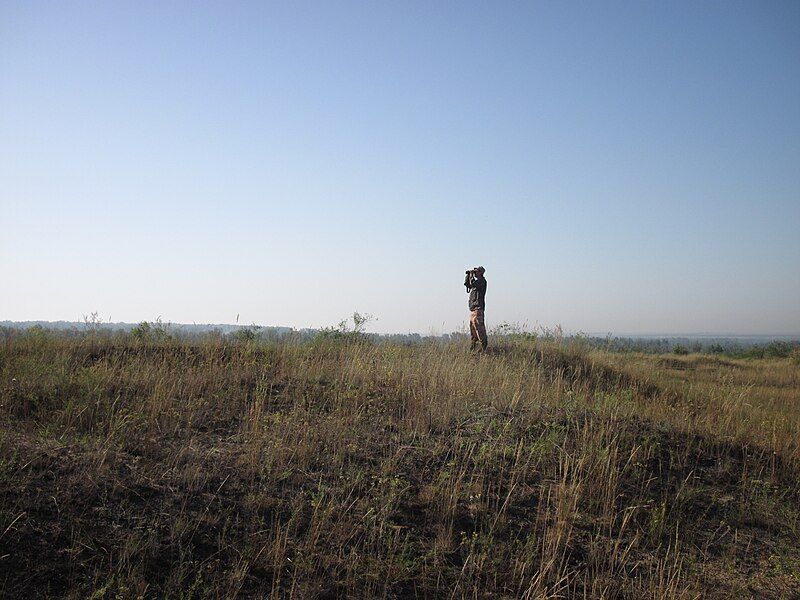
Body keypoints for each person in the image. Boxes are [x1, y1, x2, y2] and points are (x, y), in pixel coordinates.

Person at [464, 266, 488, 352]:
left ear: (481, 272)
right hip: (473, 309)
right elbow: (468, 285)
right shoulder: (477, 282)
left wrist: (471, 275)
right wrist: (468, 275)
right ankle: (473, 347)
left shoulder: (482, 281)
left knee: (479, 328)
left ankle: (483, 346)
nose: (475, 273)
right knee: (473, 330)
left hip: (478, 309)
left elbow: (473, 283)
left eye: (477, 271)